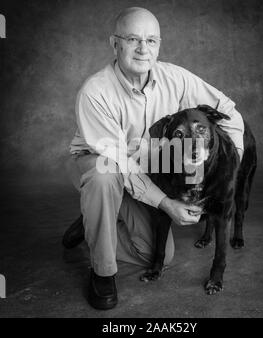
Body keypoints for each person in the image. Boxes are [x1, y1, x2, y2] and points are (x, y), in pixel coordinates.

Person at [66, 7, 244, 310]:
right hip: (101, 164)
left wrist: (231, 163)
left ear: (159, 45)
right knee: (104, 177)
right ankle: (102, 271)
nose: (142, 49)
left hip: (146, 172)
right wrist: (165, 203)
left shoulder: (176, 77)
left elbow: (227, 110)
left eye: (151, 41)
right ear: (115, 44)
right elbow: (119, 163)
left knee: (156, 253)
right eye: (133, 39)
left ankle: (94, 221)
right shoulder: (95, 92)